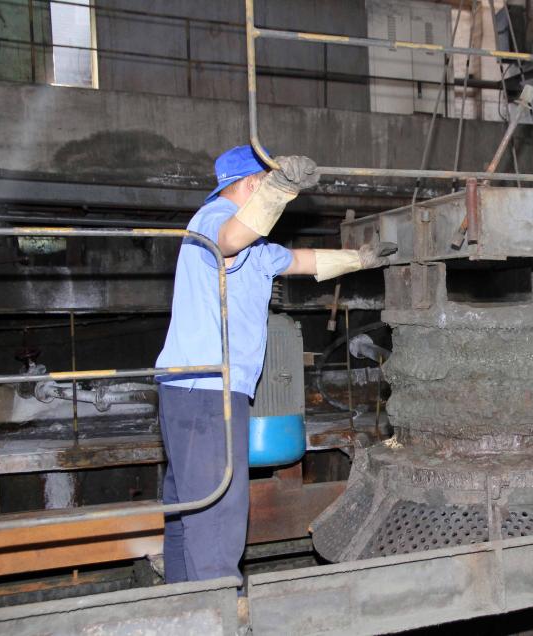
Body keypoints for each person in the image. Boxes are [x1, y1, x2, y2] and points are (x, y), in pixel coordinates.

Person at [154, 145, 388, 583]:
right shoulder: (212, 220)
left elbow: (299, 261)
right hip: (206, 390)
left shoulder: (255, 247)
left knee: (190, 506)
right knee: (217, 513)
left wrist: (360, 258)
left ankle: (183, 602)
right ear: (251, 185)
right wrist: (280, 189)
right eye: (265, 186)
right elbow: (229, 239)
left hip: (199, 391)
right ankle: (217, 608)